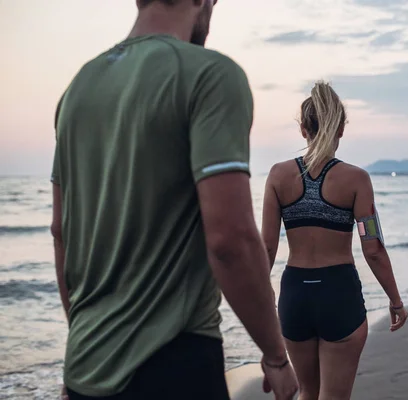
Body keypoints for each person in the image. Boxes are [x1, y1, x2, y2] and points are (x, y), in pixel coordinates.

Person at [51, 1, 298, 399]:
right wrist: (274, 354)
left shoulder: (78, 89)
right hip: (173, 363)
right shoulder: (210, 75)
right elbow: (230, 240)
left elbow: (61, 232)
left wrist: (82, 351)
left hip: (85, 369)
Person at [261, 81, 408, 400]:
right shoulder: (356, 180)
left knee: (307, 394)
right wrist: (395, 301)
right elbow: (374, 249)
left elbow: (267, 249)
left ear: (303, 129)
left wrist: (262, 304)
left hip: (295, 295)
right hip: (338, 294)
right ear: (341, 128)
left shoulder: (277, 175)